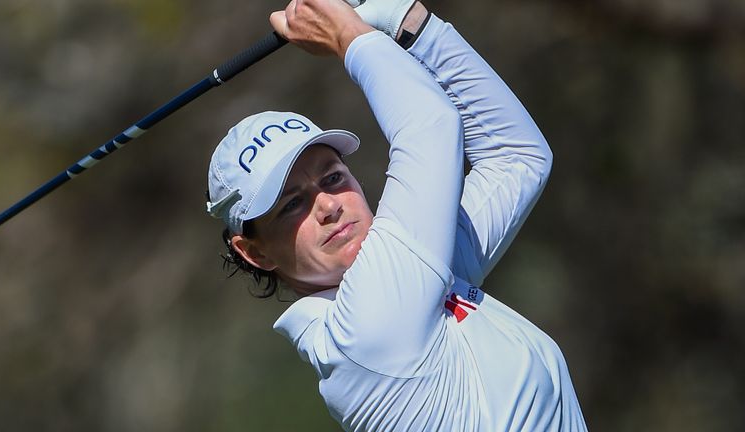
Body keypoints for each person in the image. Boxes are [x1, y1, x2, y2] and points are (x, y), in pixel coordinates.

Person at [205, 0, 588, 430]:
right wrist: (347, 34)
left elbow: (516, 157)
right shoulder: (365, 330)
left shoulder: (420, 279)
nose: (328, 206)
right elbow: (430, 126)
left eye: (332, 178)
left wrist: (407, 23)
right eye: (292, 204)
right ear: (255, 252)